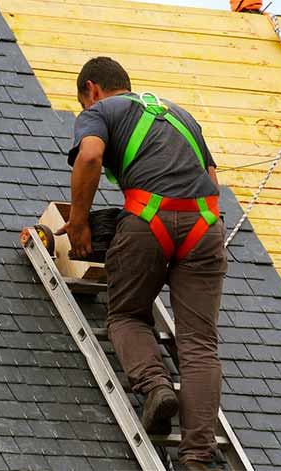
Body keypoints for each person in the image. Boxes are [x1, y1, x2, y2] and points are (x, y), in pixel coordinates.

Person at [57, 57, 228, 471]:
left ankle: (155, 387)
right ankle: (198, 456)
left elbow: (91, 157)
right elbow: (211, 177)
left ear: (92, 89)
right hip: (205, 226)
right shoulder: (180, 115)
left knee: (128, 316)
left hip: (149, 220)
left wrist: (79, 223)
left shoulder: (100, 112)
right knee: (199, 346)